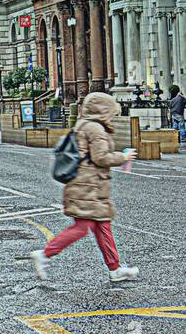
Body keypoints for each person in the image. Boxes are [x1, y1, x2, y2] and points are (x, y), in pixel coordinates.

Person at [32, 92, 139, 284]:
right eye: (111, 112)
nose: (113, 116)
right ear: (103, 110)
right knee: (83, 227)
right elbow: (101, 158)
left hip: (89, 185)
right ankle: (44, 254)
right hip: (88, 186)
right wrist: (123, 157)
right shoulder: (95, 128)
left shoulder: (82, 124)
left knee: (103, 225)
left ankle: (115, 269)